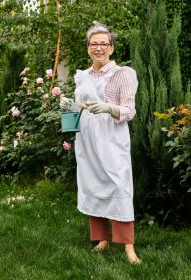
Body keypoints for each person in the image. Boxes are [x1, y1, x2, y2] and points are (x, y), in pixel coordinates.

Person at [60, 21, 141, 264]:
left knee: (119, 186)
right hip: (87, 140)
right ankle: (102, 239)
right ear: (87, 48)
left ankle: (128, 246)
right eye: (93, 44)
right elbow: (80, 107)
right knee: (92, 184)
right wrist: (69, 107)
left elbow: (129, 111)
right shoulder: (82, 76)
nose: (98, 48)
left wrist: (108, 107)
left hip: (112, 139)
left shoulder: (122, 74)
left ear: (111, 48)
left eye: (103, 44)